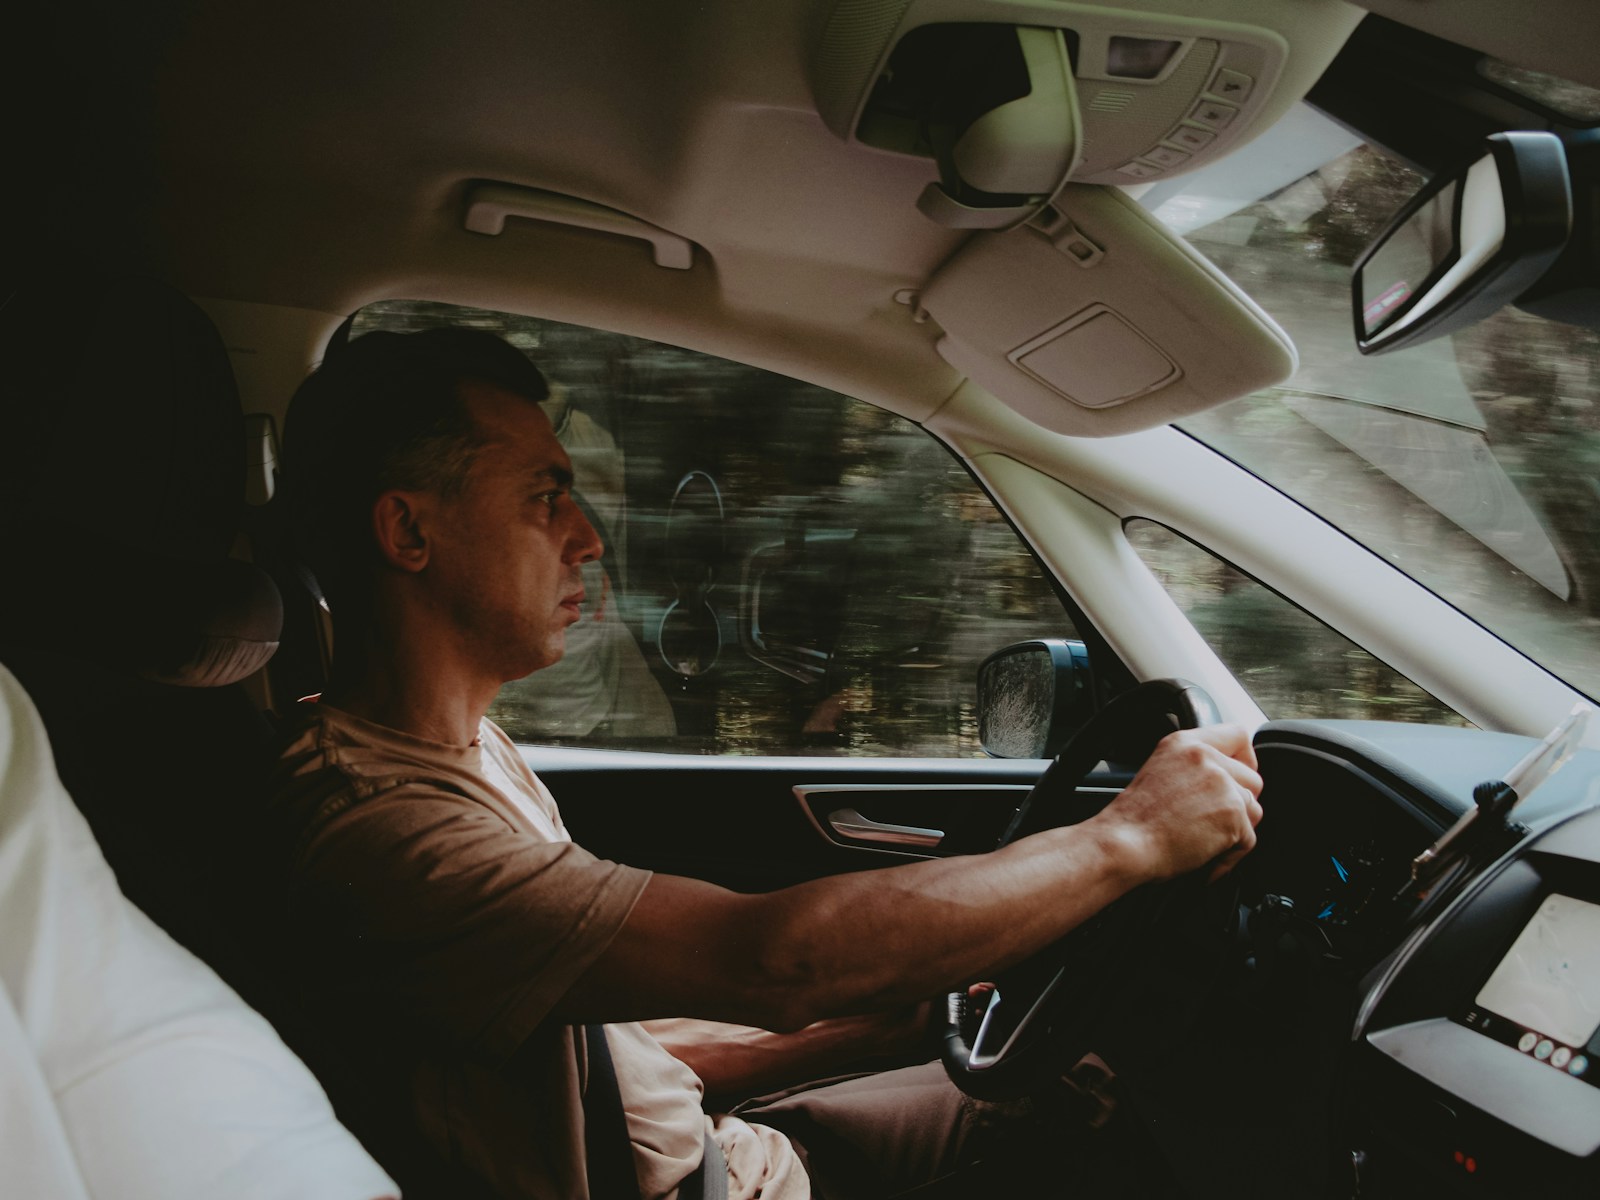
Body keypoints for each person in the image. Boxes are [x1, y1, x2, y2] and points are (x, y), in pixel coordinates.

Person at [262, 327, 1264, 1199]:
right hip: (708, 1183)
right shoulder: (390, 835)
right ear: (408, 530)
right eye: (544, 497)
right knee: (1097, 1112)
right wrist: (1132, 837)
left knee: (1051, 1082)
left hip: (714, 1152)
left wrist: (882, 1029)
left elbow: (601, 1055)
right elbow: (774, 962)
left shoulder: (465, 749)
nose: (589, 539)